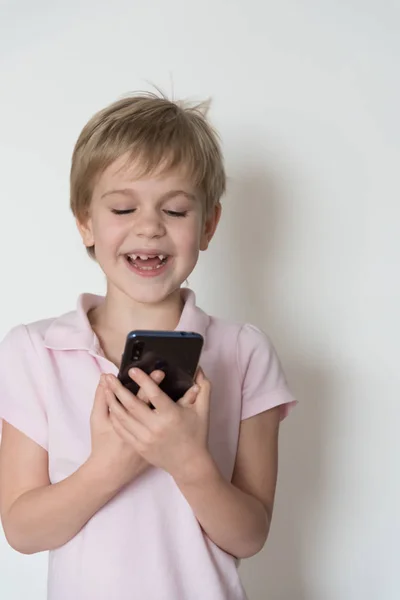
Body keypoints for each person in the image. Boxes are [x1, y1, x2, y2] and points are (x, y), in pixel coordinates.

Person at [0, 93, 296, 600]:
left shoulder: (245, 352)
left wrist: (186, 460)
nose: (149, 225)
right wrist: (110, 466)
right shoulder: (34, 351)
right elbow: (23, 532)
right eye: (122, 206)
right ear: (85, 221)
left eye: (176, 209)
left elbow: (250, 534)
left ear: (207, 225)